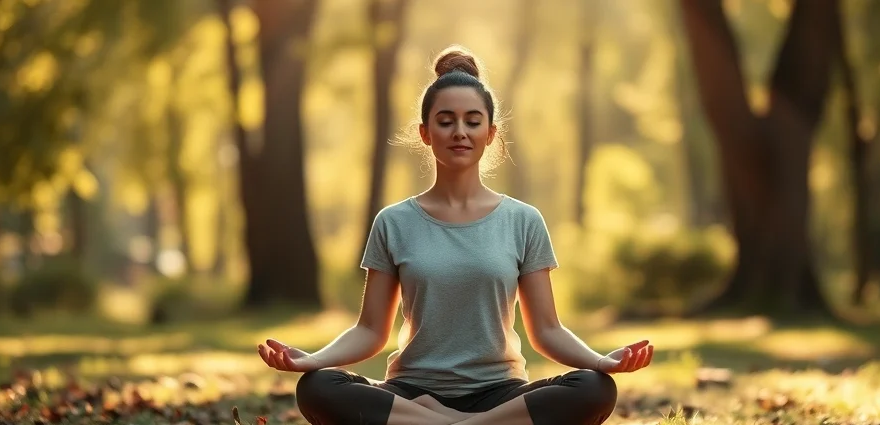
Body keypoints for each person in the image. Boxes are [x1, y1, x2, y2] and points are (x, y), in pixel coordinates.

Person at [257, 45, 654, 425]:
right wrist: (312, 360)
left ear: (491, 133)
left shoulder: (523, 220)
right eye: (445, 121)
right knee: (320, 387)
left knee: (593, 389)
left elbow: (547, 330)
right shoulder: (393, 222)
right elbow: (369, 331)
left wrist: (602, 363)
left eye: (472, 121)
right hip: (412, 392)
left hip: (500, 393)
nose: (459, 131)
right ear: (426, 132)